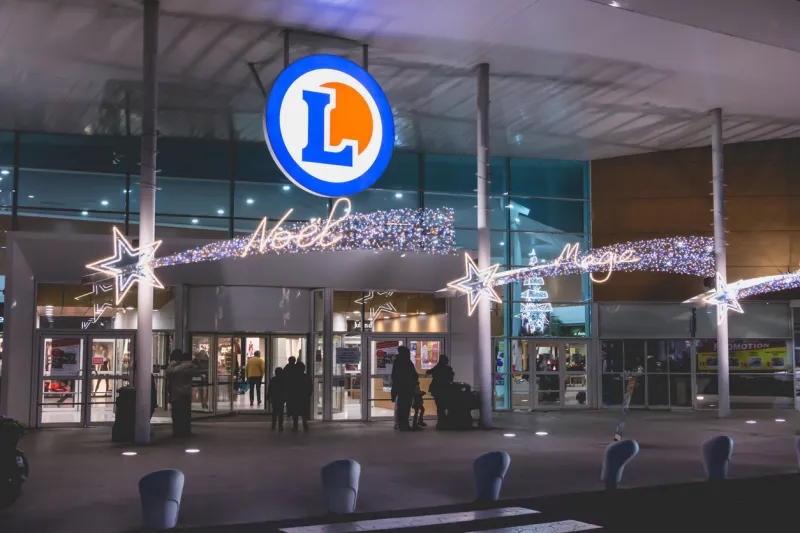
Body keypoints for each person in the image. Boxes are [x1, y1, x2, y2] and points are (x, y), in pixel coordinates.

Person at [166, 349, 195, 437]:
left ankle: (178, 431)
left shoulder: (180, 368)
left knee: (177, 414)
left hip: (177, 394)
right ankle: (185, 430)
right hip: (187, 393)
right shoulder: (191, 367)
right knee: (185, 414)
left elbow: (169, 371)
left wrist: (174, 362)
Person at [391, 346, 418, 431]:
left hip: (401, 388)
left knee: (402, 406)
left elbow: (394, 376)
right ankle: (404, 424)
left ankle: (401, 424)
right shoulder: (406, 362)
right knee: (405, 407)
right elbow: (413, 375)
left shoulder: (398, 362)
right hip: (407, 388)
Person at [427, 355, 454, 428]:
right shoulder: (448, 369)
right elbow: (451, 378)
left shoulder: (437, 368)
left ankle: (441, 422)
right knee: (445, 405)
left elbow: (428, 372)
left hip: (436, 389)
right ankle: (444, 421)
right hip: (445, 389)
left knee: (439, 406)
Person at [286, 361, 311, 432]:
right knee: (304, 411)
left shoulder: (292, 377)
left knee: (295, 412)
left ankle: (295, 425)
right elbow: (309, 387)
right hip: (303, 397)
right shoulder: (306, 377)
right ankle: (304, 423)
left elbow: (289, 387)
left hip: (295, 397)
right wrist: (308, 395)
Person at [266, 367, 286, 431]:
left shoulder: (273, 379)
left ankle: (273, 424)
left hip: (275, 397)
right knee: (281, 412)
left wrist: (268, 396)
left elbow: (270, 389)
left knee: (274, 412)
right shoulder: (283, 380)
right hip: (281, 397)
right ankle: (280, 425)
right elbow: (286, 389)